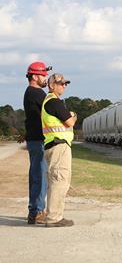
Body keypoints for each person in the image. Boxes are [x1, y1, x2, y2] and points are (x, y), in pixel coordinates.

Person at [41, 73, 77, 228]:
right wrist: (74, 116)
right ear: (51, 85)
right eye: (60, 83)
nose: (64, 85)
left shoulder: (50, 102)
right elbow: (70, 122)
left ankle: (54, 214)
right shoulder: (54, 102)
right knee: (59, 180)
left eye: (65, 83)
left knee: (56, 180)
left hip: (53, 146)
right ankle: (54, 217)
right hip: (59, 146)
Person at [23, 61, 51, 224]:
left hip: (34, 139)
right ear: (34, 76)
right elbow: (52, 110)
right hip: (39, 140)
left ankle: (35, 210)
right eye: (43, 75)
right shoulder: (37, 93)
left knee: (36, 175)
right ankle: (37, 211)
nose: (45, 78)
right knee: (39, 176)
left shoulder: (29, 92)